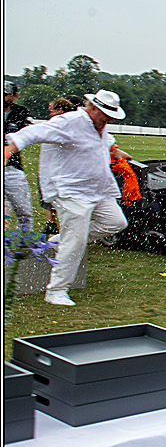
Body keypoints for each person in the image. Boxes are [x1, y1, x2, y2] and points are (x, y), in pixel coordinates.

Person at [4, 89, 129, 306]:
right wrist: (9, 151)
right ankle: (56, 291)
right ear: (92, 108)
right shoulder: (69, 122)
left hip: (97, 188)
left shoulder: (100, 126)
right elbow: (34, 133)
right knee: (76, 240)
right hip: (68, 189)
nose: (108, 119)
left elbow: (105, 141)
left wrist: (116, 151)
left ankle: (59, 241)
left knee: (116, 222)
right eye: (105, 114)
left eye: (111, 115)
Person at [38, 98, 79, 234]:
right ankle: (55, 226)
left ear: (60, 110)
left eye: (52, 109)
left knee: (61, 204)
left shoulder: (60, 125)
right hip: (56, 170)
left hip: (57, 172)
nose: (50, 112)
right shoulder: (68, 124)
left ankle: (63, 232)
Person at [3, 82, 34, 231]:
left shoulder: (21, 112)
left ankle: (25, 245)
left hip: (12, 168)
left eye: (6, 94)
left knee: (24, 211)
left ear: (15, 96)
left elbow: (28, 135)